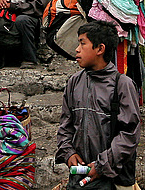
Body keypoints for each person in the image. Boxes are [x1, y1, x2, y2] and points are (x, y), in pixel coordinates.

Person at [56, 20, 140, 190]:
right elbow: (65, 125)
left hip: (112, 176)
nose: (77, 49)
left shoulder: (122, 84)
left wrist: (103, 164)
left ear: (100, 49)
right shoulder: (74, 82)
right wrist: (68, 152)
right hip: (80, 174)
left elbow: (129, 133)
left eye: (82, 43)